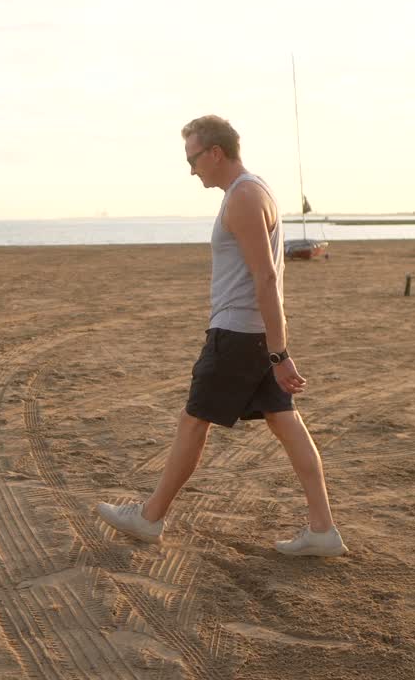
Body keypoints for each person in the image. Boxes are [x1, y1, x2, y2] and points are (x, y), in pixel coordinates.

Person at [96, 115, 345, 557]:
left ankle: (149, 518)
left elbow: (265, 278)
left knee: (193, 421)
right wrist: (274, 349)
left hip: (238, 334)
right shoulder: (252, 189)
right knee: (285, 422)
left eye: (193, 158)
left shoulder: (244, 196)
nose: (192, 169)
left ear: (215, 152)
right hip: (252, 334)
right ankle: (322, 529)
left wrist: (278, 352)